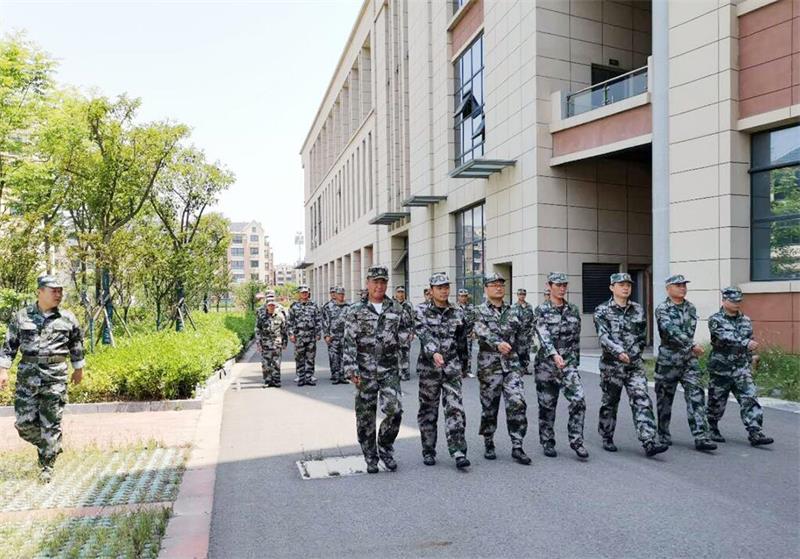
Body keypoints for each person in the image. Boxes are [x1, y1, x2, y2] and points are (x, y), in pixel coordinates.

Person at [0, 275, 85, 483]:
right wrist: (3, 371)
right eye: (53, 290)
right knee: (24, 424)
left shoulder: (67, 318)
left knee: (51, 422)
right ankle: (50, 445)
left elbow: (76, 345)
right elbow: (9, 346)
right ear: (40, 291)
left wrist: (78, 369)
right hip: (27, 377)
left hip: (55, 376)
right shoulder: (22, 317)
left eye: (60, 291)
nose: (58, 294)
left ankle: (47, 466)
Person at [343, 266, 412, 473]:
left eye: (383, 282)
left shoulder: (397, 309)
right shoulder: (356, 310)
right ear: (368, 283)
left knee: (395, 411)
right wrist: (351, 368)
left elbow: (405, 336)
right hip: (364, 369)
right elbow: (349, 341)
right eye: (375, 282)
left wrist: (404, 364)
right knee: (365, 416)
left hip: (389, 368)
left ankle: (385, 448)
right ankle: (370, 456)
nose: (379, 286)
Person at [593, 272, 668, 457]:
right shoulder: (602, 310)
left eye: (628, 285)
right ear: (612, 288)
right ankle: (607, 436)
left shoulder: (638, 309)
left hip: (634, 365)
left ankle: (649, 440)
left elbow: (642, 335)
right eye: (621, 285)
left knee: (642, 399)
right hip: (612, 366)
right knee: (610, 402)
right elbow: (603, 337)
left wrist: (636, 354)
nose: (626, 288)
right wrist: (619, 352)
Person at [473, 272, 532, 465]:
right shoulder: (478, 310)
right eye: (494, 284)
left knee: (517, 403)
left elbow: (522, 337)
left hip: (512, 365)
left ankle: (517, 445)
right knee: (489, 406)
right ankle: (488, 440)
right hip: (489, 366)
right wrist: (497, 343)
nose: (498, 287)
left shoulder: (514, 311)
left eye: (501, 284)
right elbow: (481, 330)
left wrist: (523, 362)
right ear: (486, 288)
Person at [654, 275, 717, 451]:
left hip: (689, 361)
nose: (682, 288)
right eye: (678, 285)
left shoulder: (690, 307)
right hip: (668, 361)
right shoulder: (663, 309)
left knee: (696, 396)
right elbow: (670, 330)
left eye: (684, 285)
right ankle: (663, 433)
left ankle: (701, 436)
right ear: (668, 288)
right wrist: (691, 345)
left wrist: (690, 348)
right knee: (664, 400)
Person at [415, 272, 470, 469]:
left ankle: (458, 451)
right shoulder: (421, 310)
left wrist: (464, 365)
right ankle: (428, 450)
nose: (444, 291)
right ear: (431, 290)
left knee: (455, 409)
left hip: (451, 368)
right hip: (429, 369)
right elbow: (423, 334)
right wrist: (434, 352)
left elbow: (462, 341)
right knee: (428, 411)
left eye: (446, 287)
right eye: (439, 288)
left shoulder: (457, 312)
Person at [706, 287, 773, 447]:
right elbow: (724, 336)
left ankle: (755, 432)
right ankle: (712, 427)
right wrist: (745, 342)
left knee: (750, 398)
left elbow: (750, 339)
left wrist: (752, 357)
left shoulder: (745, 320)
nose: (736, 303)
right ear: (724, 300)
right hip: (721, 368)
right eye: (733, 301)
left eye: (738, 301)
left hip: (741, 368)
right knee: (717, 401)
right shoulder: (715, 319)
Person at [533, 273, 588, 459]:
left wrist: (575, 362)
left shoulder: (573, 309)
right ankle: (547, 441)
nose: (562, 288)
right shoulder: (541, 310)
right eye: (558, 285)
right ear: (549, 286)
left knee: (578, 399)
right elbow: (543, 336)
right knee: (547, 405)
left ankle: (577, 441)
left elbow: (576, 338)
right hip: (546, 365)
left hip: (568, 364)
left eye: (564, 285)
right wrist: (554, 354)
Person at [287, 285, 321, 386]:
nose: (304, 294)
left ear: (308, 293)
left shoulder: (314, 305)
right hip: (299, 336)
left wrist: (318, 333)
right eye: (302, 293)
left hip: (311, 335)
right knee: (299, 357)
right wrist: (291, 334)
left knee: (310, 357)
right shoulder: (294, 306)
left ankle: (309, 377)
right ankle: (301, 377)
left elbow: (318, 320)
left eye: (306, 292)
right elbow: (290, 321)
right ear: (299, 294)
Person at [255, 299, 287, 387]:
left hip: (277, 344)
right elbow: (257, 330)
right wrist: (258, 343)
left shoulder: (280, 316)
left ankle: (276, 380)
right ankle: (268, 381)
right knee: (266, 364)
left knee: (276, 363)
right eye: (270, 305)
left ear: (275, 306)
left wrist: (285, 342)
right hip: (265, 344)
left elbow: (284, 330)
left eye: (273, 305)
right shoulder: (262, 316)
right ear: (267, 306)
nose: (271, 307)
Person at [321, 287, 350, 384]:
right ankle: (335, 375)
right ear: (335, 295)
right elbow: (325, 322)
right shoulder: (329, 307)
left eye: (342, 294)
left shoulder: (348, 307)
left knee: (344, 356)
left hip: (345, 336)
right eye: (339, 294)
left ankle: (343, 375)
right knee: (334, 356)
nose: (341, 296)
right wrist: (326, 335)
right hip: (333, 336)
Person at [393, 286, 414, 381]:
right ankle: (397, 371)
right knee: (395, 353)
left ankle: (405, 372)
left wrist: (412, 332)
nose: (401, 294)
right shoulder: (392, 304)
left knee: (405, 353)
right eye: (399, 292)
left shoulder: (408, 305)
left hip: (405, 332)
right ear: (395, 294)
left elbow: (412, 319)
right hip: (395, 332)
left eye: (402, 292)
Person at [512, 288, 535, 375]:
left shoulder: (529, 306)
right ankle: (518, 368)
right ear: (517, 295)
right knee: (518, 351)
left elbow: (532, 318)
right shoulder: (513, 307)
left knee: (526, 351)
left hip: (527, 333)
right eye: (520, 294)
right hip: (518, 333)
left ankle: (525, 368)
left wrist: (532, 330)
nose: (522, 296)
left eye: (523, 294)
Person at [457, 288, 476, 379]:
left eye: (465, 296)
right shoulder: (454, 307)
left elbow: (475, 319)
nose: (463, 298)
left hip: (468, 333)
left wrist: (474, 331)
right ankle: (459, 370)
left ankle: (467, 370)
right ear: (458, 297)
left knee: (468, 352)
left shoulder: (471, 307)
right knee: (458, 352)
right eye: (461, 296)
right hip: (458, 334)